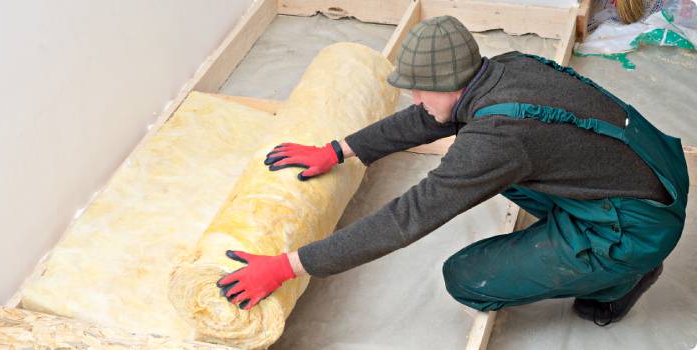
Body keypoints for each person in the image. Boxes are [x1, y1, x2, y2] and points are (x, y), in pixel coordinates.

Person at [215, 16, 689, 326]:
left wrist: (288, 266)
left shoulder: (498, 138)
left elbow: (407, 218)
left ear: (452, 81)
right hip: (647, 170)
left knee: (466, 278)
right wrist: (341, 150)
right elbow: (430, 116)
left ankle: (623, 275)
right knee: (486, 154)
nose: (415, 101)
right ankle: (591, 239)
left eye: (421, 90)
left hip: (634, 226)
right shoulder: (503, 67)